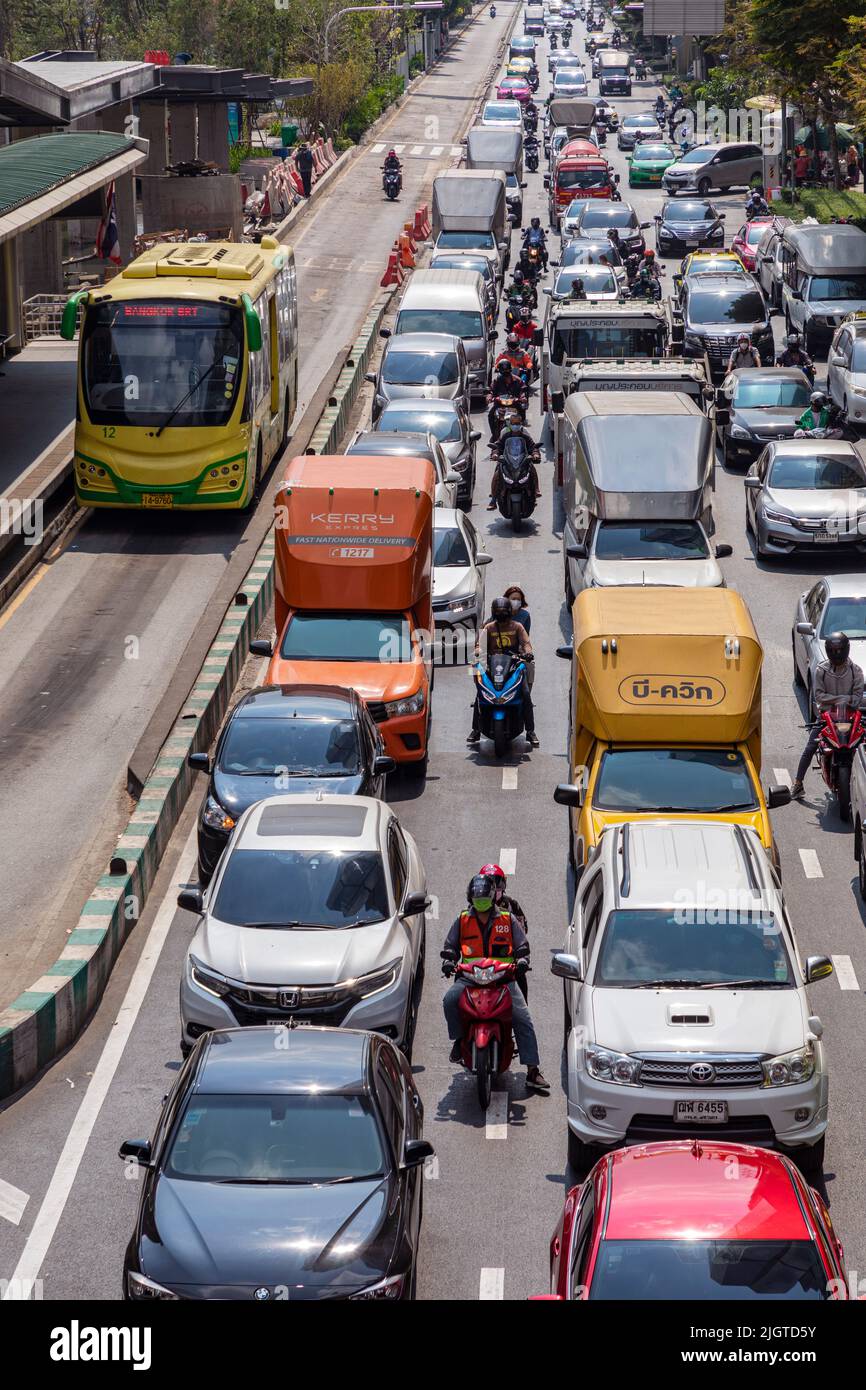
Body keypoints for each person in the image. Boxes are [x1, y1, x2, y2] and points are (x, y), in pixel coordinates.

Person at [441, 875, 549, 1092]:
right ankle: (458, 1040)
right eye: (477, 898)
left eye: (484, 897)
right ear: (470, 898)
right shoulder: (462, 920)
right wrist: (448, 961)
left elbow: (522, 946)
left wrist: (521, 961)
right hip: (470, 979)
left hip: (503, 980)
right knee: (449, 1000)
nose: (480, 902)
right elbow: (450, 946)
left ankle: (532, 1070)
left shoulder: (507, 919)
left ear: (492, 897)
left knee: (523, 1019)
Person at [791, 633, 865, 798]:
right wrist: (844, 698)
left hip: (851, 720)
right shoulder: (821, 670)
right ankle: (797, 783)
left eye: (839, 650)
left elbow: (857, 699)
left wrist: (834, 699)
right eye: (833, 650)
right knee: (810, 746)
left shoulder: (856, 671)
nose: (837, 654)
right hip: (827, 719)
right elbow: (819, 697)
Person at [469, 596, 538, 746]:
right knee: (481, 693)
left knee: (525, 693)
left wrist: (528, 652)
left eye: (504, 612)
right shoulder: (489, 628)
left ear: (509, 612)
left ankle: (530, 731)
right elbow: (479, 645)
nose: (501, 615)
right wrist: (478, 653)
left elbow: (526, 643)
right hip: (492, 665)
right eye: (498, 612)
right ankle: (476, 730)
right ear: (494, 613)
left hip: (513, 664)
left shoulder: (518, 627)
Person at [479, 862, 530, 997]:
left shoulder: (511, 906)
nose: (494, 891)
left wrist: (522, 960)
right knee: (454, 998)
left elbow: (522, 935)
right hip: (476, 968)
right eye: (490, 886)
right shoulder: (471, 911)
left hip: (506, 968)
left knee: (521, 987)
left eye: (498, 886)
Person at [488, 411, 541, 511]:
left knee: (531, 468)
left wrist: (535, 454)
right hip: (507, 460)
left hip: (522, 460)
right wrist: (495, 454)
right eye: (513, 423)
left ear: (521, 423)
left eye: (517, 423)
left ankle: (536, 491)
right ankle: (493, 500)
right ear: (510, 424)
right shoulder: (505, 435)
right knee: (497, 473)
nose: (515, 425)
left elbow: (532, 447)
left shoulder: (525, 435)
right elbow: (498, 446)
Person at [487, 360, 526, 441]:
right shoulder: (496, 381)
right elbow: (491, 390)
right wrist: (489, 397)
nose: (506, 375)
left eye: (507, 371)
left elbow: (523, 390)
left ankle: (521, 432)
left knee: (522, 412)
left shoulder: (518, 380)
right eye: (504, 372)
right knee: (491, 415)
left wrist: (522, 398)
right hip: (499, 405)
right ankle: (494, 435)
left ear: (510, 370)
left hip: (514, 405)